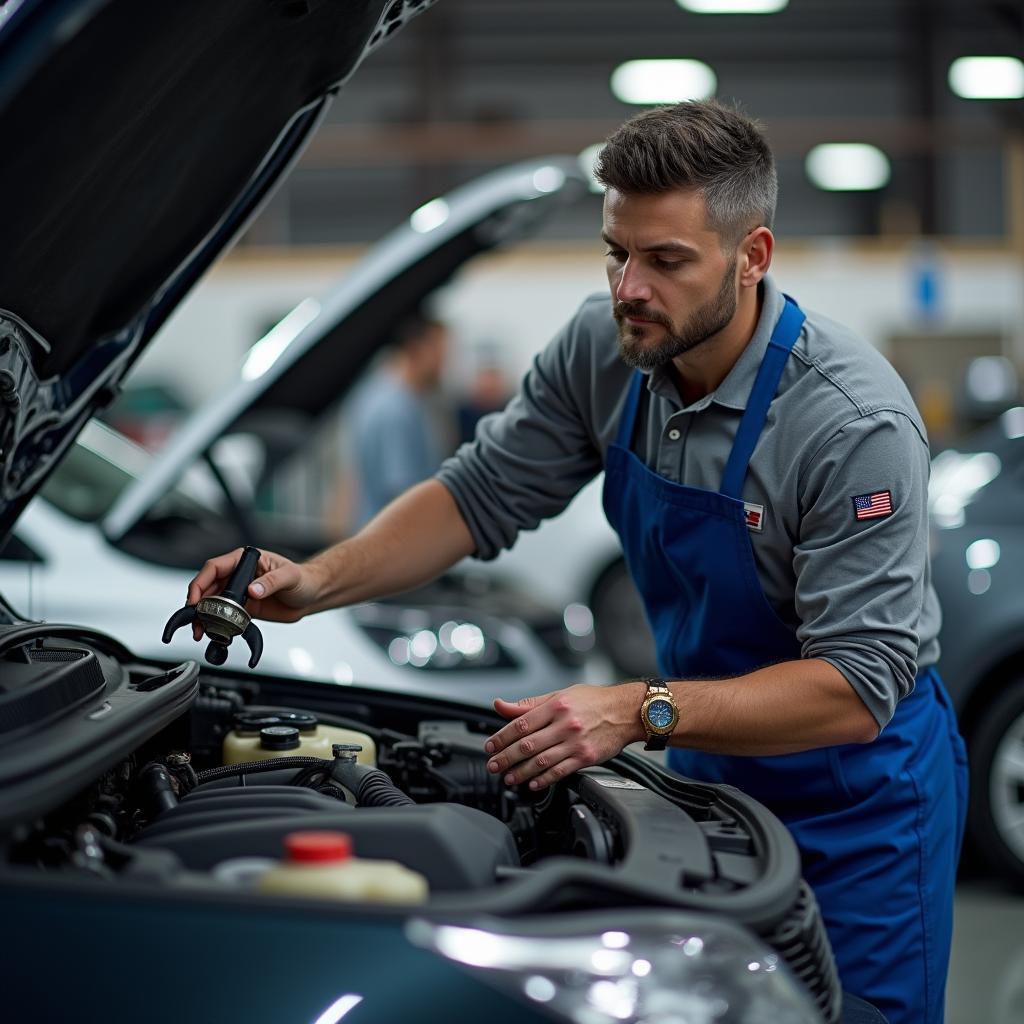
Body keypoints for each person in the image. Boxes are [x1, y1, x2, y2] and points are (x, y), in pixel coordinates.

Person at [188, 100, 967, 1024]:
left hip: (860, 806)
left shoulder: (848, 421)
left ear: (751, 256)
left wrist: (640, 709)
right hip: (712, 777)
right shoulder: (607, 351)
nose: (629, 287)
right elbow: (478, 495)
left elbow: (857, 683)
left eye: (667, 260)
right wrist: (317, 580)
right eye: (616, 252)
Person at [346, 312, 449, 529]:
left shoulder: (375, 392)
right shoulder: (396, 408)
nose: (445, 362)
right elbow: (402, 494)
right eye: (440, 351)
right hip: (390, 540)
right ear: (417, 348)